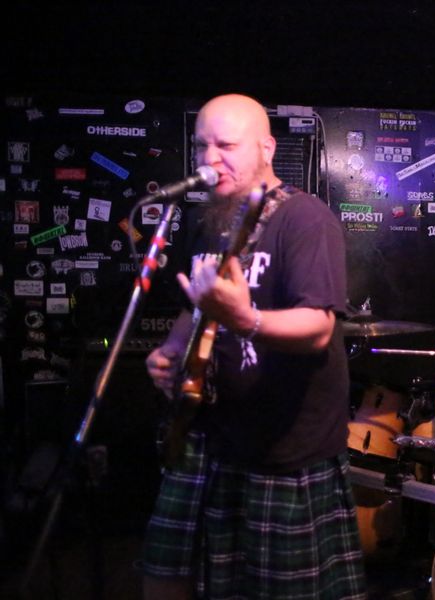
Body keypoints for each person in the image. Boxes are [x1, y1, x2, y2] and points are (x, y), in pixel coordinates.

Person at [143, 94, 366, 599]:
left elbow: (318, 326)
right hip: (209, 436)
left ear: (266, 148)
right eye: (201, 145)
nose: (209, 159)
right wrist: (172, 350)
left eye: (226, 145)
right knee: (166, 570)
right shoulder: (210, 222)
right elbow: (197, 306)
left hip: (283, 449)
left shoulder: (305, 219)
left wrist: (247, 319)